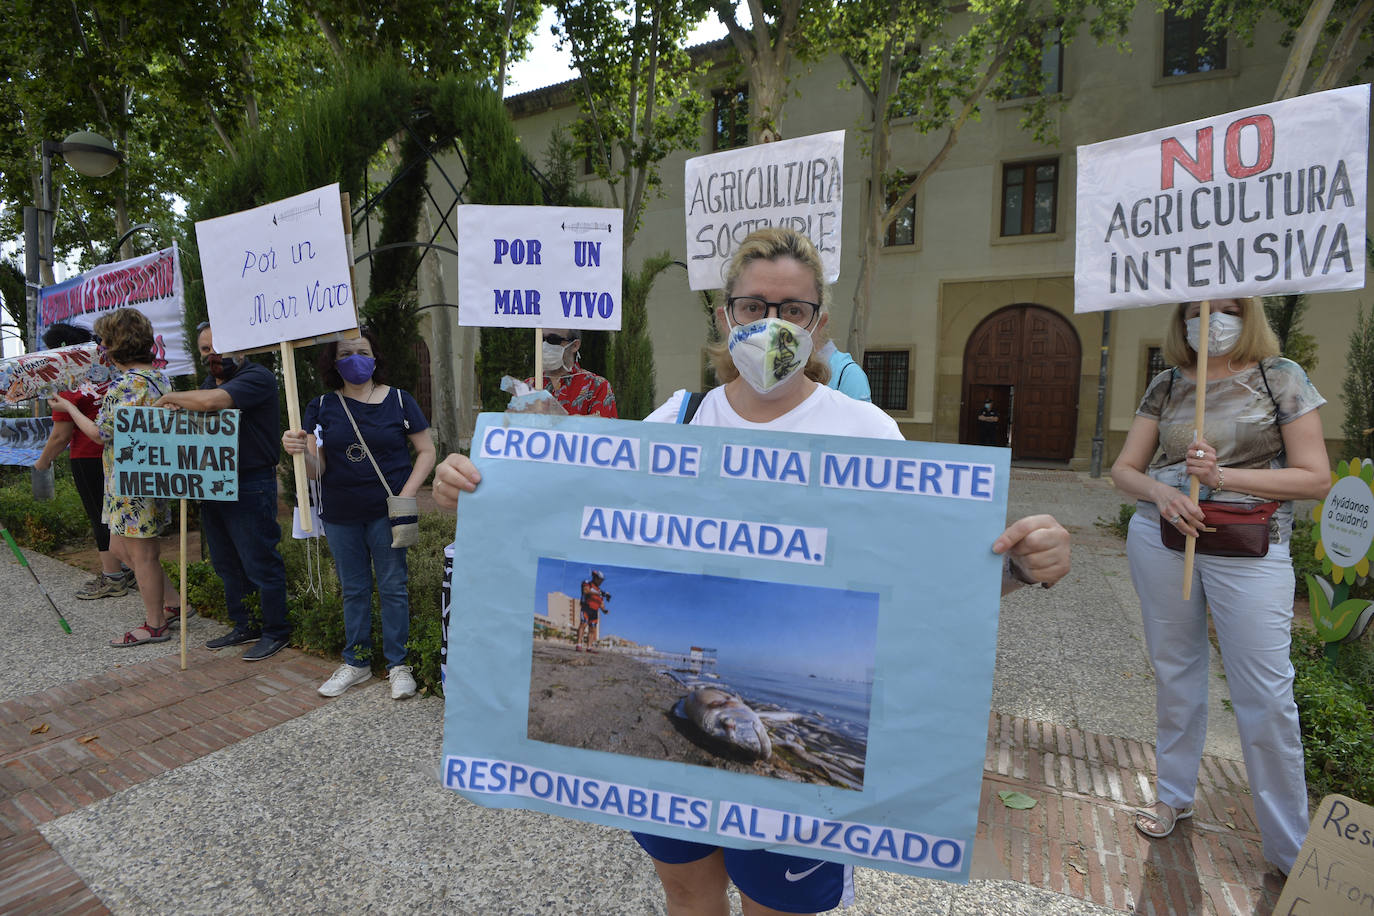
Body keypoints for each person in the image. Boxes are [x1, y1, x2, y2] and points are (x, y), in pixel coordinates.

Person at [434, 228, 1071, 915]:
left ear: (818, 323)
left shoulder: (869, 436)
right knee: (685, 891)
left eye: (792, 310)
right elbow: (565, 523)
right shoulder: (671, 426)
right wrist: (476, 489)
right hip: (672, 785)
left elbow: (929, 587)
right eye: (752, 306)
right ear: (724, 316)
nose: (771, 324)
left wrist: (1022, 569)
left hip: (795, 809)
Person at [1110, 297, 1330, 877]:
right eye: (1196, 309)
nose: (1210, 320)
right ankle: (1173, 794)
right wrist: (1164, 492)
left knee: (1266, 695)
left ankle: (1289, 844)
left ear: (1249, 314)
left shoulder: (1279, 377)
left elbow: (1315, 477)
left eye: (1227, 308)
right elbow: (1124, 469)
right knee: (1175, 671)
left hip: (1251, 547)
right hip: (1164, 539)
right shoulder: (1166, 383)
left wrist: (1221, 476)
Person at [281, 329, 435, 700]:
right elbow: (318, 470)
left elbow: (427, 451)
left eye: (362, 351)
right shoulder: (321, 406)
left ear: (375, 356)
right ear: (333, 363)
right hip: (340, 513)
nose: (355, 357)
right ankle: (358, 661)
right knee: (354, 589)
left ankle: (398, 664)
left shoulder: (399, 400)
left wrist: (405, 495)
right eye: (345, 352)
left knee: (393, 587)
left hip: (387, 513)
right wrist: (299, 452)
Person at [154, 322, 291, 662]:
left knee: (259, 560)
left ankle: (276, 630)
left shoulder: (256, 377)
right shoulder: (205, 383)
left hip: (249, 482)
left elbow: (214, 402)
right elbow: (200, 409)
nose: (213, 353)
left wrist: (172, 397)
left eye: (220, 345)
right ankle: (246, 623)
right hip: (212, 482)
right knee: (226, 562)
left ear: (241, 345)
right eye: (205, 349)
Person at [50, 309, 181, 647]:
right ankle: (175, 605)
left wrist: (71, 409)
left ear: (112, 346)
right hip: (148, 475)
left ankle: (155, 624)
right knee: (122, 547)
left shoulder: (124, 385)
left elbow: (99, 434)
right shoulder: (159, 378)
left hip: (131, 480)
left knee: (142, 555)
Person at [33, 322, 132, 599]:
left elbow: (60, 436)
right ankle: (127, 567)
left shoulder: (68, 383)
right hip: (122, 454)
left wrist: (41, 463)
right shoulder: (109, 374)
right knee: (119, 514)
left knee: (99, 514)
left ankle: (112, 576)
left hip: (89, 456)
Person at [527, 328, 617, 417]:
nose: (545, 345)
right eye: (541, 339)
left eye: (553, 340)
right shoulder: (528, 386)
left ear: (575, 345)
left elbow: (604, 428)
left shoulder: (597, 386)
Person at [576, 569, 609, 652]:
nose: (601, 582)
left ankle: (589, 647)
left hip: (595, 611)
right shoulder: (587, 583)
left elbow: (601, 603)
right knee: (583, 624)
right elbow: (586, 590)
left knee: (592, 629)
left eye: (602, 580)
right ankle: (579, 644)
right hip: (586, 607)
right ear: (595, 578)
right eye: (600, 580)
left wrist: (604, 610)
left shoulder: (600, 591)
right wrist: (601, 593)